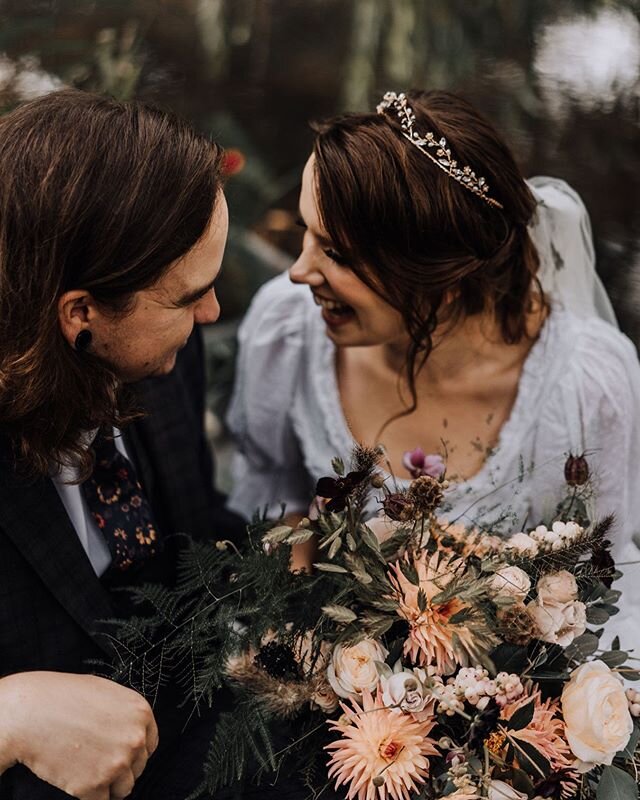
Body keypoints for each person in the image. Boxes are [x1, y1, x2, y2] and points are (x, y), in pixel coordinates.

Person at [227, 89, 640, 652]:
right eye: (307, 233)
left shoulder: (585, 390)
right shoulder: (287, 332)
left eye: (337, 254)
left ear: (443, 286)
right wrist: (298, 617)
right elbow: (272, 488)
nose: (300, 271)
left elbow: (607, 586)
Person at [0, 89, 243, 800]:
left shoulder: (165, 352)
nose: (212, 312)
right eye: (187, 297)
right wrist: (9, 717)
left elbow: (190, 533)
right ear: (81, 313)